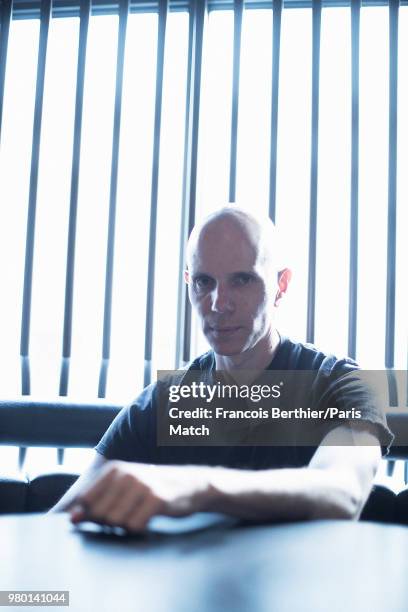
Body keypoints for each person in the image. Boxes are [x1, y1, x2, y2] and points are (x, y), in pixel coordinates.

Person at [51, 206, 393, 529]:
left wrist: (198, 488)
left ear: (281, 285)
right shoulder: (165, 401)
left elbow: (343, 491)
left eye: (242, 280)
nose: (218, 304)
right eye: (204, 282)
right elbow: (61, 520)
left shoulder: (341, 382)